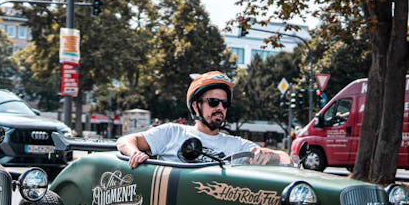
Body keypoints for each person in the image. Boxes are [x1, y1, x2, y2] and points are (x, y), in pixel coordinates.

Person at [117, 71, 291, 168]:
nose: (220, 108)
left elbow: (285, 159)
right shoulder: (173, 132)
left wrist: (270, 154)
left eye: (225, 103)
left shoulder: (236, 145)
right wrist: (135, 153)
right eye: (213, 102)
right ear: (195, 106)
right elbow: (126, 140)